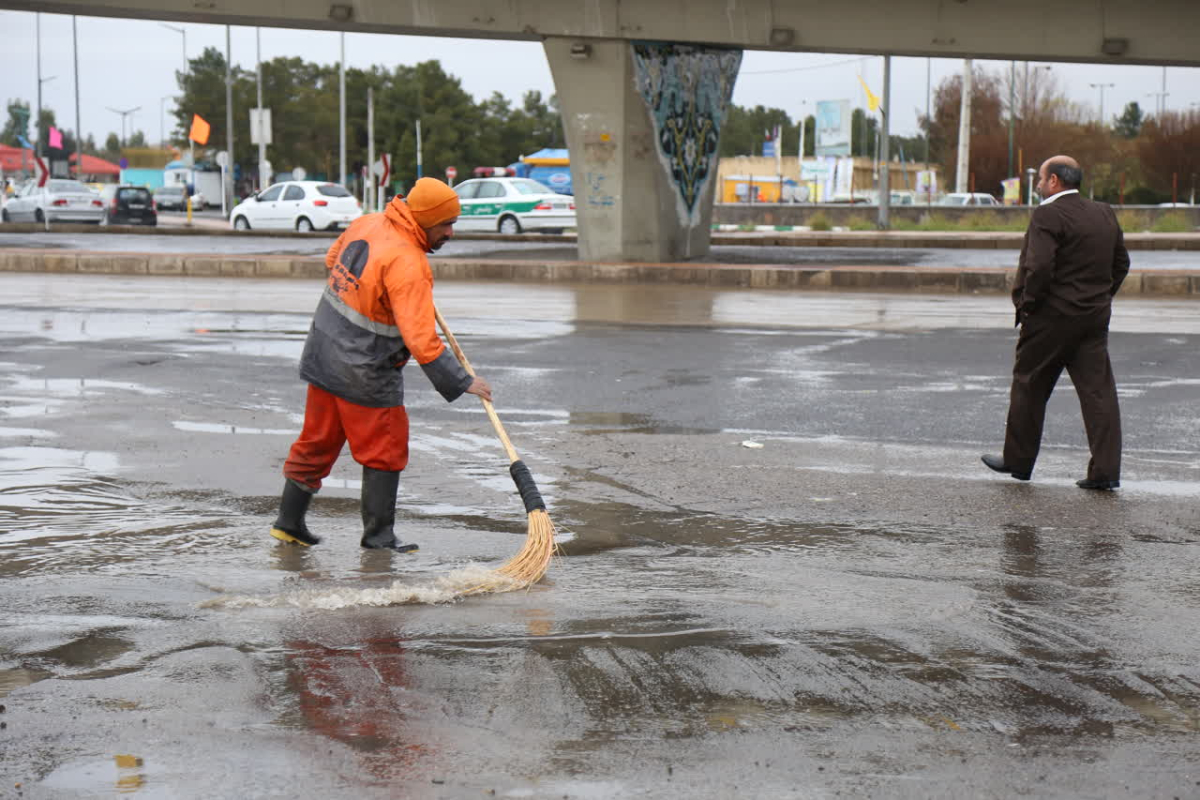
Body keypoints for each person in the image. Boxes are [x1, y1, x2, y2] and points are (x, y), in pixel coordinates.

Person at [270, 177, 492, 552]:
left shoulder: (368, 222)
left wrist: (377, 292)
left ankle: (288, 523)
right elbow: (422, 340)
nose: (450, 232)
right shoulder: (409, 263)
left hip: (324, 354)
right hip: (365, 371)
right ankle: (379, 537)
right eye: (445, 224)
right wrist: (462, 380)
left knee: (316, 443)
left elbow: (332, 261)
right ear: (423, 220)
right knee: (385, 450)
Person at [982, 155, 1130, 490]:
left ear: (1054, 182)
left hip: (1050, 319)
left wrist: (1028, 305)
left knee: (1029, 385)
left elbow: (1040, 267)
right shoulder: (1104, 212)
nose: (1036, 185)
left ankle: (1018, 461)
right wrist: (1101, 297)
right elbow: (1121, 263)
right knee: (1098, 394)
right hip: (1093, 319)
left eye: (1041, 178)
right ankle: (1105, 471)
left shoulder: (1048, 214)